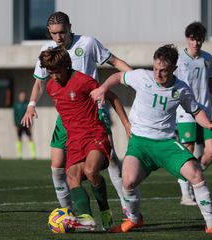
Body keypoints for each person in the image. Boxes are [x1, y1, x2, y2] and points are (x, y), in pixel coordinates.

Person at [90, 44, 212, 234]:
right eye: (155, 69)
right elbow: (117, 76)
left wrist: (208, 125)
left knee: (196, 174)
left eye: (163, 71)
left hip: (166, 143)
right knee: (128, 182)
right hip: (140, 143)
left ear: (174, 68)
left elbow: (196, 110)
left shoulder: (181, 89)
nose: (157, 74)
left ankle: (211, 225)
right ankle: (134, 219)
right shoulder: (142, 77)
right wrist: (103, 88)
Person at [23, 11, 132, 217]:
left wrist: (138, 78)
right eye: (54, 33)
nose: (59, 37)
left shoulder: (88, 43)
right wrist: (31, 104)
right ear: (49, 32)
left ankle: (128, 210)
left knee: (111, 160)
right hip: (67, 116)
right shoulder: (47, 51)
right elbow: (39, 81)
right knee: (57, 167)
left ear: (70, 28)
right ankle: (68, 213)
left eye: (62, 32)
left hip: (93, 110)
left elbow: (115, 62)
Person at [174, 22, 212, 206]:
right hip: (185, 112)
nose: (196, 43)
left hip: (205, 112)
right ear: (187, 39)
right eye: (192, 39)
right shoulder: (178, 60)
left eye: (199, 40)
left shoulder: (207, 58)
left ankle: (192, 176)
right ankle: (185, 193)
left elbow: (210, 84)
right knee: (188, 149)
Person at [13, 90, 36, 159]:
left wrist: (31, 124)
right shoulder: (16, 105)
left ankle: (33, 155)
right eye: (21, 96)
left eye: (23, 96)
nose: (22, 97)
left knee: (30, 138)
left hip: (27, 124)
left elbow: (31, 114)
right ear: (19, 96)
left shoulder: (27, 104)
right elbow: (15, 115)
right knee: (19, 138)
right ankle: (19, 155)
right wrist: (15, 124)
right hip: (19, 124)